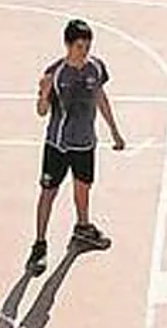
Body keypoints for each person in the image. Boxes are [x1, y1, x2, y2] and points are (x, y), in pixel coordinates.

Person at [27, 18, 126, 277]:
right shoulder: (55, 73)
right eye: (80, 46)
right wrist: (43, 93)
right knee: (48, 193)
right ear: (68, 45)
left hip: (85, 143)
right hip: (57, 145)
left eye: (87, 46)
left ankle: (82, 227)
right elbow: (41, 112)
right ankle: (39, 244)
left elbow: (100, 98)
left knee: (83, 188)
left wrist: (114, 131)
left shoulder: (95, 68)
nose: (84, 52)